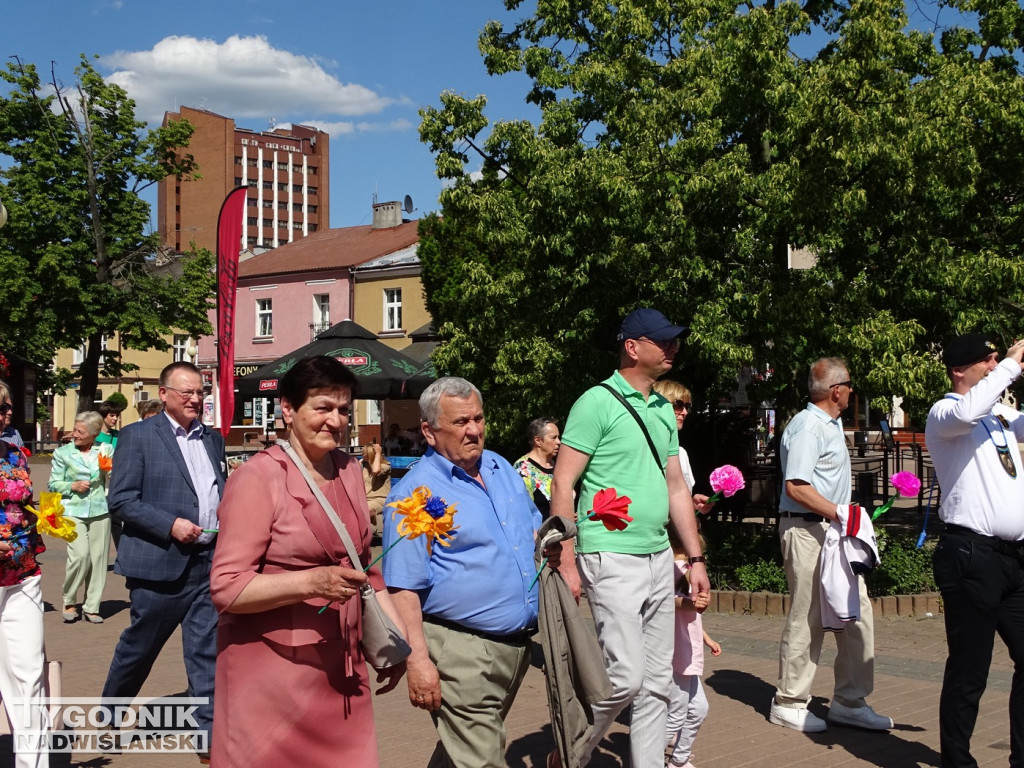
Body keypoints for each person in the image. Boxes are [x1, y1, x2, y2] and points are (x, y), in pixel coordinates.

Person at [210, 356, 405, 767]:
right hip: (272, 679)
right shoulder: (257, 479)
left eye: (343, 410)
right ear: (288, 410)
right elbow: (226, 587)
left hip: (343, 670)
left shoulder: (350, 470)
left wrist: (396, 645)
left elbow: (366, 569)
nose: (335, 421)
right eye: (322, 408)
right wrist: (310, 583)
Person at [551, 308, 709, 768]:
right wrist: (565, 558)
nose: (673, 348)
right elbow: (564, 482)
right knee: (625, 677)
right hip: (609, 553)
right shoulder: (595, 403)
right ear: (632, 347)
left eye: (675, 341)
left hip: (659, 554)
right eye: (664, 341)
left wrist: (694, 559)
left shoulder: (662, 408)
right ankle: (571, 750)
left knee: (658, 682)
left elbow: (677, 486)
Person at [383, 376, 553, 768]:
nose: (474, 430)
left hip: (516, 646)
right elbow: (402, 588)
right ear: (428, 431)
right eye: (460, 422)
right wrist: (418, 662)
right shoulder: (414, 496)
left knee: (460, 752)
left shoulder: (498, 467)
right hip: (460, 652)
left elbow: (531, 529)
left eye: (478, 418)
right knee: (482, 759)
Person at [100, 361, 226, 760]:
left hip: (207, 560)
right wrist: (170, 525)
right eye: (186, 392)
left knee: (206, 652)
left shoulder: (213, 439)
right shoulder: (138, 437)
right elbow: (120, 500)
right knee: (140, 649)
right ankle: (108, 719)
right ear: (165, 394)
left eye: (200, 392)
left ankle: (208, 740)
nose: (195, 399)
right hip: (159, 565)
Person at [769, 357, 891, 733]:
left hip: (833, 532)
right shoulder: (808, 427)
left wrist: (842, 519)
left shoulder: (829, 424)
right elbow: (796, 486)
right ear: (837, 390)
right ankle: (789, 701)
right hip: (809, 531)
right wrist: (841, 513)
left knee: (857, 613)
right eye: (850, 385)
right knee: (809, 616)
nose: (852, 391)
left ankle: (850, 700)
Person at [925, 333, 1024, 768]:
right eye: (987, 361)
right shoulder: (945, 412)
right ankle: (958, 762)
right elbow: (968, 409)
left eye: (997, 359)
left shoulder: (999, 414)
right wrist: (1012, 364)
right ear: (959, 369)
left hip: (1013, 560)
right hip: (970, 557)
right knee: (970, 671)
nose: (995, 365)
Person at [0, 434, 48, 768]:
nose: (4, 413)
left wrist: (38, 517)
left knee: (30, 678)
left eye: (5, 406)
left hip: (22, 577)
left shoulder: (17, 455)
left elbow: (22, 505)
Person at [48, 410, 110, 624]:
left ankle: (92, 606)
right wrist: (71, 485)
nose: (74, 434)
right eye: (74, 429)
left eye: (79, 431)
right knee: (80, 556)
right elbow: (53, 484)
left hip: (100, 510)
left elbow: (113, 479)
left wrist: (109, 470)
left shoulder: (105, 450)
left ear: (93, 434)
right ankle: (69, 599)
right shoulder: (63, 453)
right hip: (73, 510)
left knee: (99, 559)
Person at [665, 529, 721, 768]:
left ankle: (679, 759)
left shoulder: (688, 569)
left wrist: (706, 637)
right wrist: (693, 603)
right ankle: (648, 758)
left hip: (687, 649)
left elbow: (691, 614)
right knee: (676, 712)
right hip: (676, 651)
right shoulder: (670, 567)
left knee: (698, 709)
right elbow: (674, 602)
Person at [651, 381, 716, 515]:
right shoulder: (642, 449)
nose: (685, 412)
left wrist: (691, 503)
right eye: (678, 405)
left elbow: (677, 498)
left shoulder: (681, 453)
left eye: (687, 406)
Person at [514, 416, 561, 518]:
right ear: (538, 440)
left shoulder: (559, 466)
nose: (559, 442)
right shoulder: (523, 468)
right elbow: (521, 510)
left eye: (558, 437)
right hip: (539, 532)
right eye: (553, 438)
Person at [361, 441, 392, 534]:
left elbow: (375, 470)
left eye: (363, 452)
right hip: (365, 499)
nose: (361, 454)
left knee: (365, 509)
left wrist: (378, 453)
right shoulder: (365, 467)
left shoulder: (385, 466)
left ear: (369, 454)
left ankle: (371, 519)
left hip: (379, 500)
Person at [0, 380, 25, 450]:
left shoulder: (14, 433)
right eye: (3, 408)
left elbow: (21, 459)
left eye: (11, 407)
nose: (10, 412)